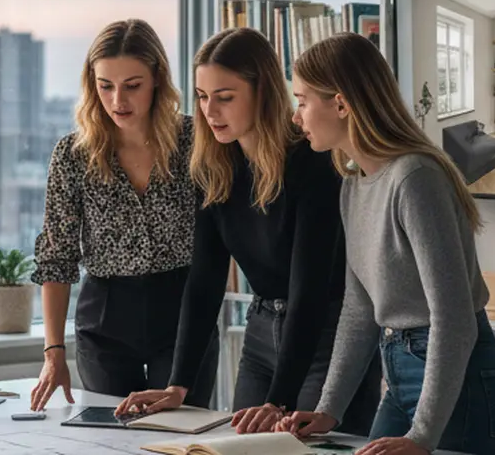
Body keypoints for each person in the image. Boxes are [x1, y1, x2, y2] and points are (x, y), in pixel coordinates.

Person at [115, 27, 381, 435]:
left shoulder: (312, 161)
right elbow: (204, 281)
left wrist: (279, 399)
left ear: (263, 93)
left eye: (225, 97)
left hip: (325, 338)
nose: (210, 111)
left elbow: (309, 291)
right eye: (202, 97)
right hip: (260, 334)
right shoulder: (213, 167)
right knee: (241, 445)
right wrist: (177, 385)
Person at [278, 33, 495, 455]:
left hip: (461, 386)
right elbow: (359, 308)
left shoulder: (414, 179)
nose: (296, 118)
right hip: (400, 372)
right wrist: (328, 409)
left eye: (302, 101)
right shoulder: (353, 184)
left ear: (341, 104)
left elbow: (453, 318)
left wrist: (421, 436)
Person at [28, 19, 218, 411]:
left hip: (183, 314)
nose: (118, 101)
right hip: (105, 320)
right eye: (105, 86)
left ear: (157, 79)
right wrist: (53, 352)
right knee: (112, 435)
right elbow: (57, 257)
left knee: (178, 431)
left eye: (132, 85)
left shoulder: (196, 141)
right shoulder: (73, 156)